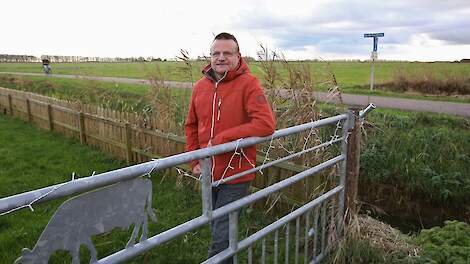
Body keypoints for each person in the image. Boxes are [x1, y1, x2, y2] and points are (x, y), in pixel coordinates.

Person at [185, 32, 276, 262]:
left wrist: (224, 139)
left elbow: (266, 124)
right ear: (210, 56)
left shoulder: (249, 84)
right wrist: (195, 160)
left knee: (221, 237)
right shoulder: (200, 87)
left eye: (227, 53)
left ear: (238, 56)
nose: (221, 57)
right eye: (216, 53)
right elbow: (191, 125)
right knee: (218, 225)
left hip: (237, 172)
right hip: (208, 171)